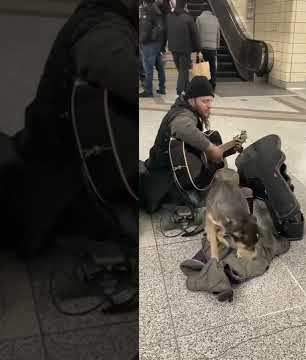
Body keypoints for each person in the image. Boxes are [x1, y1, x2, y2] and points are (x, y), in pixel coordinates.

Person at [11, 0, 139, 256]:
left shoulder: (100, 17)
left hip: (76, 169)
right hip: (63, 178)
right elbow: (117, 69)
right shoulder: (102, 22)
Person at [141, 76, 240, 213]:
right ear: (192, 100)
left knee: (221, 175)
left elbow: (192, 151)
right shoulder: (182, 114)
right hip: (166, 175)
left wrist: (226, 149)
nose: (209, 105)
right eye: (204, 101)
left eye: (210, 101)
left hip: (179, 167)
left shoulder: (188, 110)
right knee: (212, 198)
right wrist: (210, 148)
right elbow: (182, 128)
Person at [167, 0, 201, 96]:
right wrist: (198, 49)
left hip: (173, 48)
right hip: (185, 49)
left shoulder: (169, 17)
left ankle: (186, 88)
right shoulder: (188, 18)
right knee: (183, 70)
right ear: (185, 5)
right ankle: (180, 90)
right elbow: (195, 34)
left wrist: (162, 46)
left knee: (181, 70)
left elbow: (165, 31)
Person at [140, 0, 167, 97]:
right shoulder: (157, 10)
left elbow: (145, 28)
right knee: (160, 67)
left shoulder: (147, 10)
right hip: (157, 43)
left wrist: (142, 40)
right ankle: (162, 88)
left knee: (148, 69)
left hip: (149, 43)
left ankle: (148, 90)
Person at [196, 5, 220, 91]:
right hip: (213, 48)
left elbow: (197, 34)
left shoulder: (199, 18)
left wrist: (197, 47)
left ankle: (202, 86)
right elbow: (218, 34)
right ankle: (212, 85)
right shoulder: (215, 19)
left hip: (202, 48)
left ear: (202, 10)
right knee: (212, 68)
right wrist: (217, 46)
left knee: (202, 68)